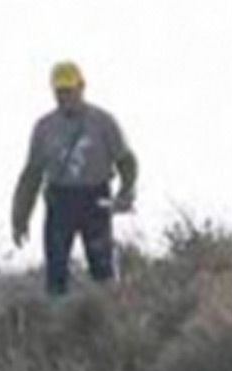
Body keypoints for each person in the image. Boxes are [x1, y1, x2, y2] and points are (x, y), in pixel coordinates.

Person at [11, 60, 139, 297]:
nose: (64, 97)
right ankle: (57, 321)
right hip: (60, 200)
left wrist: (126, 191)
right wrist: (20, 217)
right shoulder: (44, 128)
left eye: (69, 90)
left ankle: (111, 316)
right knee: (56, 271)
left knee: (103, 268)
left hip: (96, 199)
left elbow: (126, 161)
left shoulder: (103, 122)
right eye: (59, 92)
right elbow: (31, 176)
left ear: (81, 87)